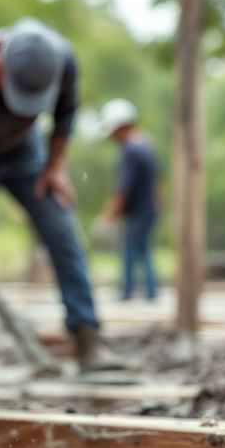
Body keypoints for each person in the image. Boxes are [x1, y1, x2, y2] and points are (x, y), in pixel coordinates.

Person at [0, 18, 122, 378]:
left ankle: (88, 339)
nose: (24, 109)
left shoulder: (62, 59)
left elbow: (66, 114)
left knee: (64, 233)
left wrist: (53, 168)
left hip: (26, 155)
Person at [95, 99, 159, 302]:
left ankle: (127, 295)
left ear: (120, 126)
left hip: (138, 211)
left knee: (130, 253)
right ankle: (150, 294)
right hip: (149, 210)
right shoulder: (147, 145)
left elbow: (123, 189)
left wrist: (109, 215)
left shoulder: (131, 150)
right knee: (144, 252)